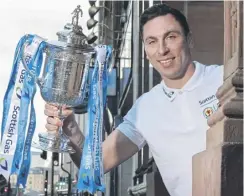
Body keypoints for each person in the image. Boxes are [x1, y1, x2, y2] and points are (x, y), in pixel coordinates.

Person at [44, 4, 223, 196]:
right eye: (152, 41)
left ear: (189, 40)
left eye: (171, 37)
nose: (162, 50)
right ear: (145, 51)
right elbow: (96, 164)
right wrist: (69, 128)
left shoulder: (224, 77)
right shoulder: (146, 108)